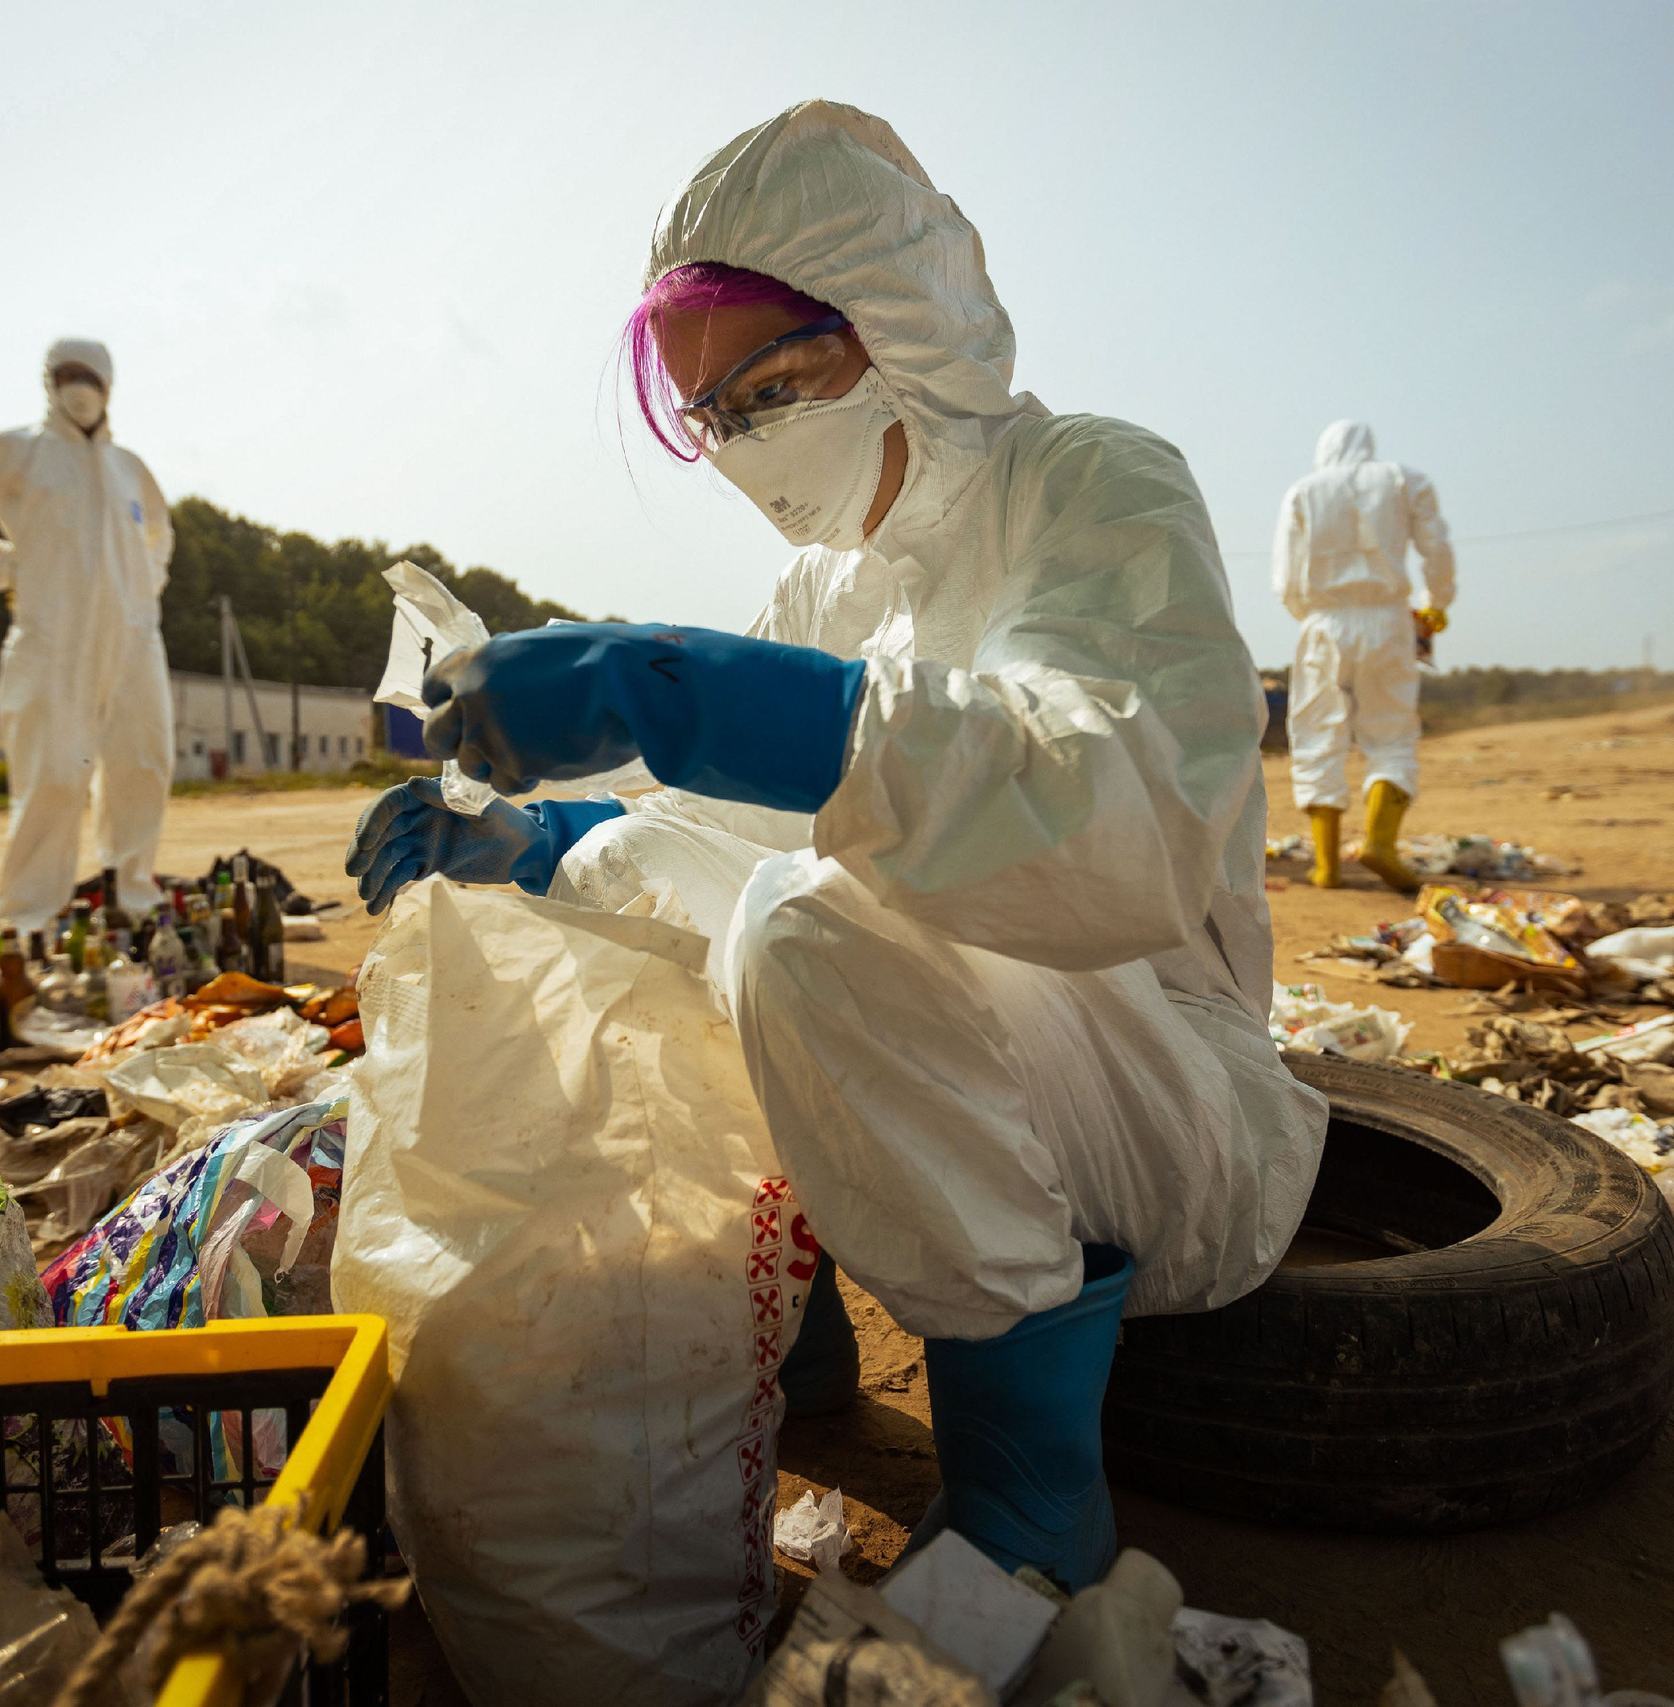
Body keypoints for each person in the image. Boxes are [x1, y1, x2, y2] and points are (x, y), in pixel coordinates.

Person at [345, 101, 1324, 1590]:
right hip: (977, 1087)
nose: (746, 443)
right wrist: (522, 841)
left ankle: (1026, 1488)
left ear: (901, 322)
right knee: (633, 902)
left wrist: (676, 687)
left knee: (807, 921)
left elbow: (1115, 815)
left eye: (775, 385)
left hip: (1163, 1107)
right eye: (714, 416)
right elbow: (697, 841)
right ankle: (785, 1311)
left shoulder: (1091, 487)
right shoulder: (828, 586)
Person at [0, 338, 175, 929]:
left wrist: (144, 585)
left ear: (108, 384)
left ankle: (128, 900)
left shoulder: (129, 467)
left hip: (133, 639)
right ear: (49, 380)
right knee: (52, 776)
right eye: (67, 373)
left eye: (89, 375)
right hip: (52, 641)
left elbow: (160, 533)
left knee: (144, 766)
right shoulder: (17, 452)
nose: (78, 384)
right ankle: (32, 917)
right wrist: (4, 567)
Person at [1272, 420, 1455, 890]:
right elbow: (1436, 546)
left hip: (1324, 622)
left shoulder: (1302, 491)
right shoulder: (1404, 480)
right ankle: (1379, 844)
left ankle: (1327, 866)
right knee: (1391, 735)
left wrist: (1309, 615)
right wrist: (1437, 602)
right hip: (1389, 620)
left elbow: (1286, 579)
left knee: (1317, 735)